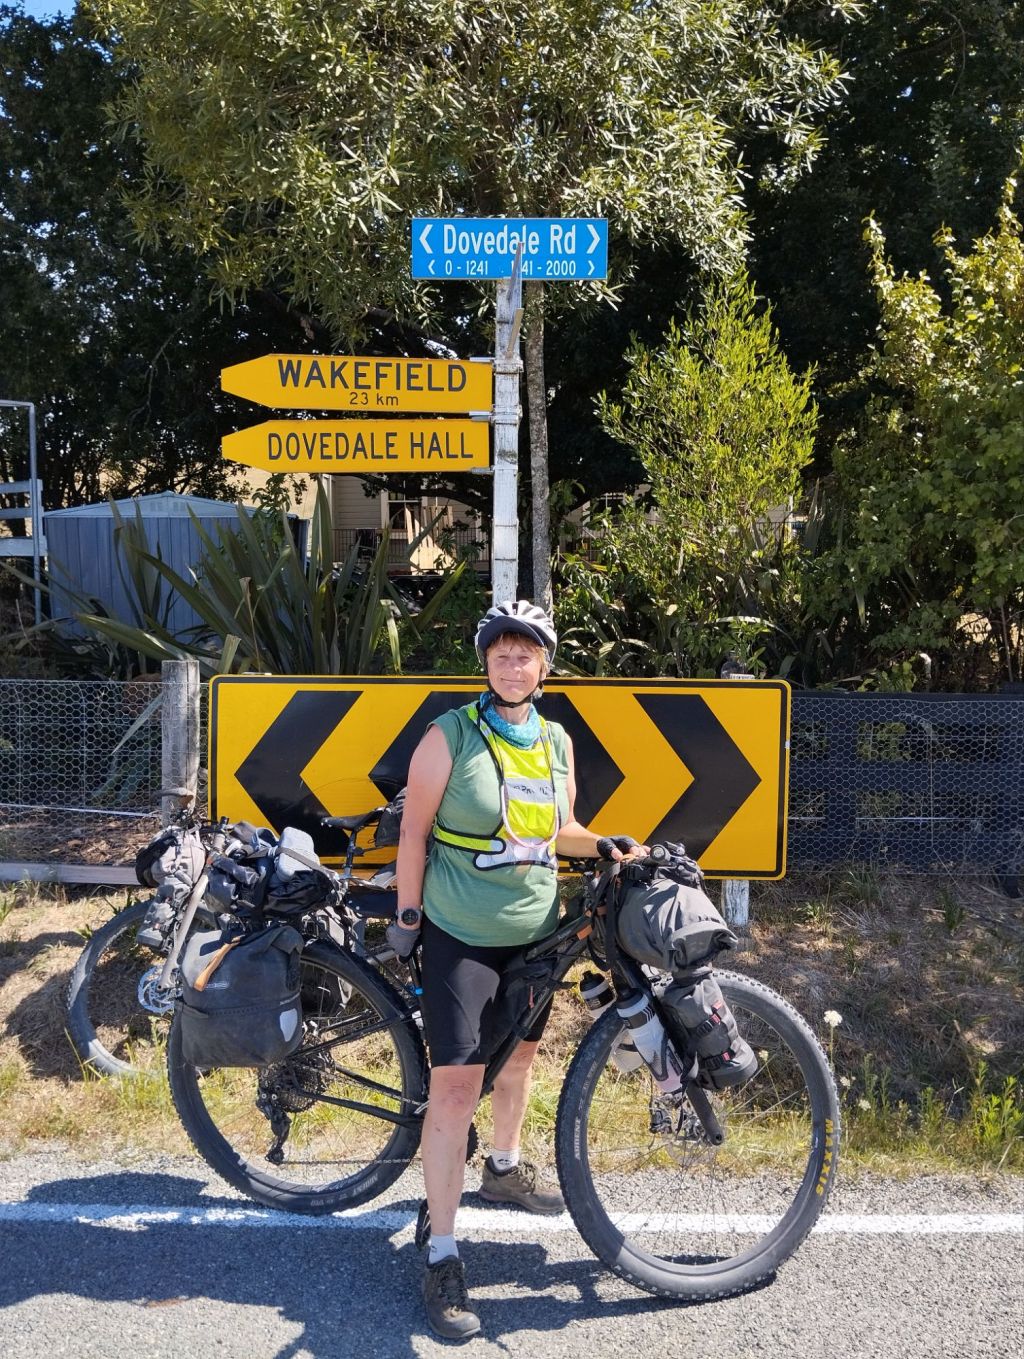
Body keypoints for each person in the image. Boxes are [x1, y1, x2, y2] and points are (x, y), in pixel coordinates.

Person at [388, 600, 644, 1340]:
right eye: (500, 653)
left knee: (522, 1056)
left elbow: (558, 827)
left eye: (524, 653)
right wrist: (408, 918)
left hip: (534, 931)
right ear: (486, 663)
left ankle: (502, 1166)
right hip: (459, 934)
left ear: (544, 665)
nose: (512, 664)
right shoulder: (449, 735)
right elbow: (415, 831)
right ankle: (440, 1248)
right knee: (457, 1081)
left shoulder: (556, 739)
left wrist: (606, 846)